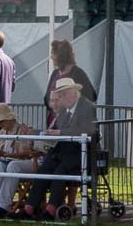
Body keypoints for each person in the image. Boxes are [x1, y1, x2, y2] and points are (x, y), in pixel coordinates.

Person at [22, 77, 91, 218]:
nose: (61, 98)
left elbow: (85, 129)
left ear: (73, 92)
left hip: (81, 153)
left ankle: (51, 209)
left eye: (63, 94)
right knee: (44, 169)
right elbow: (56, 131)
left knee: (60, 171)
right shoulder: (65, 112)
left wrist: (59, 132)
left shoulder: (87, 107)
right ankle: (29, 208)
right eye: (60, 95)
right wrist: (42, 134)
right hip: (62, 151)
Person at [44, 37, 96, 107]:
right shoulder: (55, 73)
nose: (51, 57)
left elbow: (92, 96)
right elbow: (47, 98)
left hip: (73, 116)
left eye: (53, 54)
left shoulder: (78, 73)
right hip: (55, 116)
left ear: (60, 56)